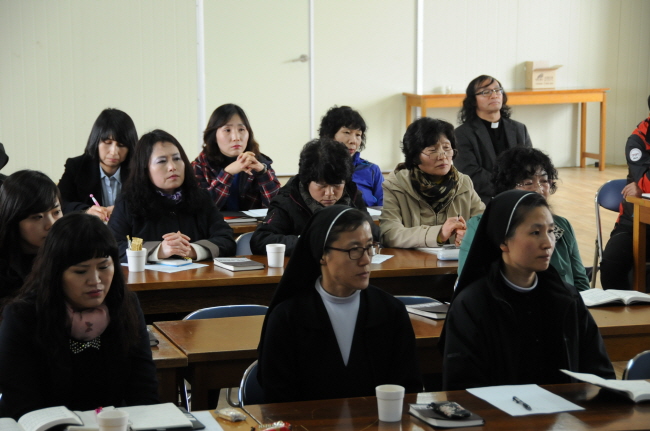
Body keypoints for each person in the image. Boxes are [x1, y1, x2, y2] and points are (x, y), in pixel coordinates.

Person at [441, 190, 615, 391]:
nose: (548, 243)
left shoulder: (566, 298)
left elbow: (600, 373)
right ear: (503, 241)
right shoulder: (472, 304)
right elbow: (462, 387)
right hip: (497, 410)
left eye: (551, 231)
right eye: (535, 233)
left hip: (565, 408)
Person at [0, 213, 159, 419]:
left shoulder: (125, 306)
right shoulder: (23, 317)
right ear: (55, 273)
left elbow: (144, 392)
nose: (95, 280)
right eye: (81, 271)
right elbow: (21, 404)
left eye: (104, 267)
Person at [257, 206, 422, 403]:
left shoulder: (391, 311)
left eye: (369, 247)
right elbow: (277, 401)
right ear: (322, 254)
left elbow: (408, 390)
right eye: (354, 250)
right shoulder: (288, 317)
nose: (366, 260)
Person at [458, 147, 591, 291]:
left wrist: (576, 303)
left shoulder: (562, 224)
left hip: (564, 302)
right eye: (528, 183)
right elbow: (470, 281)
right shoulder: (482, 226)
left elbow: (581, 282)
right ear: (507, 188)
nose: (539, 189)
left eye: (544, 181)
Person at [108, 129, 236, 262]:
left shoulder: (202, 198)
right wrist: (159, 250)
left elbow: (226, 240)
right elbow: (112, 246)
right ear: (145, 168)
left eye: (177, 158)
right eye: (161, 161)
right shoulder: (128, 202)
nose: (172, 167)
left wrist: (192, 250)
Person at [250, 138, 376, 256]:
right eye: (321, 185)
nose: (329, 193)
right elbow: (260, 240)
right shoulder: (287, 200)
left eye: (337, 184)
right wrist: (312, 241)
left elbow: (373, 231)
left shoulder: (352, 195)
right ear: (306, 181)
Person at [380, 117, 484, 248]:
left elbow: (485, 224)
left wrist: (470, 234)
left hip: (454, 260)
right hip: (412, 260)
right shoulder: (396, 186)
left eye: (447, 148)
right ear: (415, 156)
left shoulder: (463, 183)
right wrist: (439, 234)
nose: (443, 156)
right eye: (432, 151)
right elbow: (389, 234)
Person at [454, 75, 532, 204]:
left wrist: (521, 188)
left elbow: (530, 164)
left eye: (497, 90)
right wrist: (508, 188)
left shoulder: (519, 129)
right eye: (486, 92)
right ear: (473, 101)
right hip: (482, 200)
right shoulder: (462, 134)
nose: (494, 95)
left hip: (520, 195)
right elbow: (470, 173)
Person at [601, 95, 650, 290]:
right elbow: (646, 182)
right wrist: (642, 185)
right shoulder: (637, 140)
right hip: (634, 221)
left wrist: (642, 186)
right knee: (611, 265)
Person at [192, 103, 281, 210]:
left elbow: (278, 208)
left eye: (241, 129)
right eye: (227, 130)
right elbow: (201, 209)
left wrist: (263, 173)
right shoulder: (200, 166)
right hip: (216, 222)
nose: (236, 137)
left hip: (253, 222)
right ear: (214, 135)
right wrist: (228, 173)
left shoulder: (260, 162)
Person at [58, 108, 138, 220]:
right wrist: (86, 211)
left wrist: (124, 210)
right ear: (96, 141)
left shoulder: (139, 170)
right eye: (107, 143)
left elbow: (150, 203)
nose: (114, 152)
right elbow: (60, 203)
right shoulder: (76, 167)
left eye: (121, 145)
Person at [0, 170, 62, 300]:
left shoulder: (70, 252)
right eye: (37, 217)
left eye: (56, 212)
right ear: (13, 218)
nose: (51, 224)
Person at [318, 106, 384, 206]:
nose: (353, 141)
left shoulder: (372, 170)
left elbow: (385, 207)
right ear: (329, 135)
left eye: (358, 135)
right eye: (347, 132)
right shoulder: (317, 167)